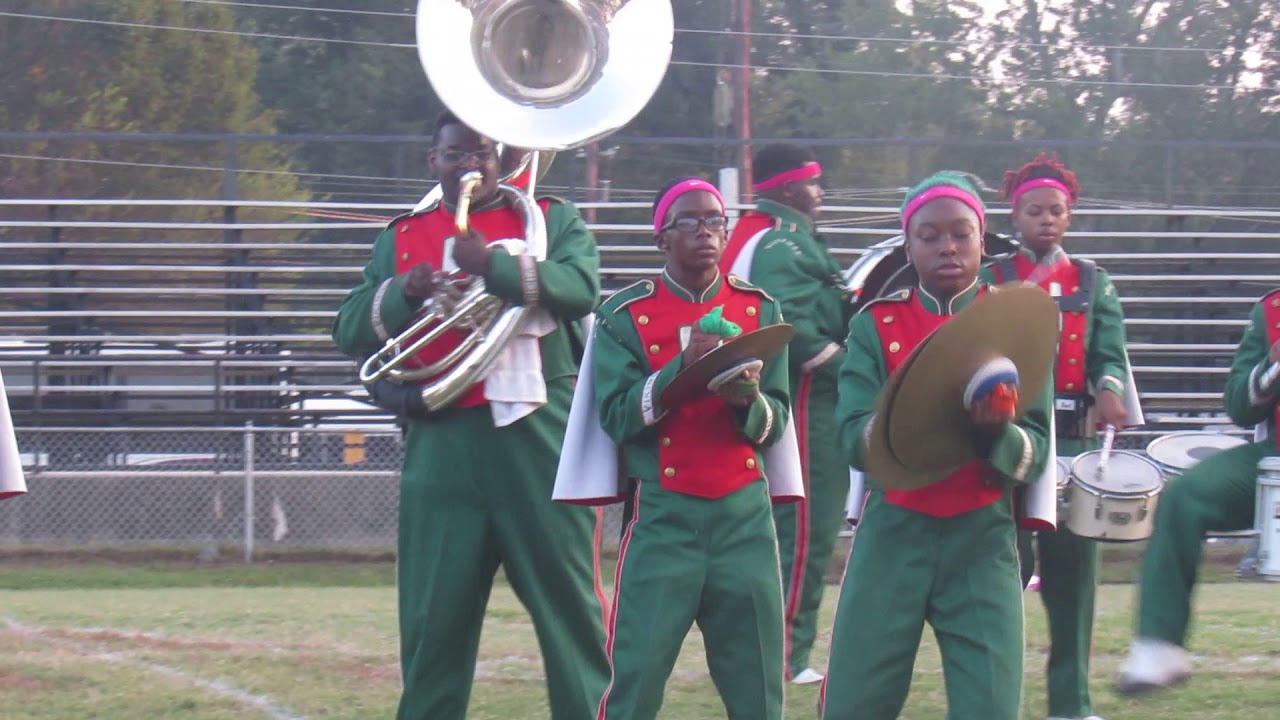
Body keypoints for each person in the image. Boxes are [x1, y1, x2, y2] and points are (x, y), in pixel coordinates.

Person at [331, 110, 609, 720]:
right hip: (442, 439)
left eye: (483, 153)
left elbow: (581, 288)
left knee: (571, 609)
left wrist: (495, 268)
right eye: (455, 154)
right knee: (435, 618)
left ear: (501, 157)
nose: (470, 166)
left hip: (536, 437)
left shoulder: (548, 218)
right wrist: (407, 290)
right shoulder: (404, 235)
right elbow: (348, 326)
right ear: (432, 161)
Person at [820, 171, 1055, 720]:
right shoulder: (877, 324)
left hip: (983, 537)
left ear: (982, 237)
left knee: (991, 705)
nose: (947, 246)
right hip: (893, 535)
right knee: (855, 703)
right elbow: (849, 434)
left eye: (960, 233)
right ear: (909, 244)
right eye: (929, 236)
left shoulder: (1015, 324)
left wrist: (996, 429)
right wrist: (908, 423)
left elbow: (1037, 450)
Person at [589, 177, 795, 719]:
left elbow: (776, 425)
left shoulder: (759, 308)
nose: (705, 231)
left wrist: (745, 399)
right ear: (662, 239)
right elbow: (614, 416)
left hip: (744, 518)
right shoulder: (624, 315)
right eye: (690, 221)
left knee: (759, 692)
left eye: (715, 220)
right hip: (663, 516)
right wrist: (684, 369)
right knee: (635, 682)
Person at [983, 153, 1137, 720]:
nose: (1046, 220)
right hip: (1007, 443)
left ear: (1069, 217)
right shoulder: (990, 278)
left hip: (1071, 444)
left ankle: (1070, 705)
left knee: (1073, 580)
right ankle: (997, 698)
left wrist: (1111, 388)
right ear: (1014, 216)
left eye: (1056, 211)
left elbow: (1108, 351)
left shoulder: (1094, 281)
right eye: (1034, 211)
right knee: (1004, 573)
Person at [720, 143, 852, 685]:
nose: (821, 194)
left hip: (788, 393)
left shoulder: (768, 234)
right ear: (790, 189)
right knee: (805, 525)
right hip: (801, 395)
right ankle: (785, 653)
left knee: (795, 526)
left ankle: (775, 646)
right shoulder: (781, 240)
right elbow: (794, 330)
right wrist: (857, 365)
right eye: (815, 183)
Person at [1117, 289, 1280, 694]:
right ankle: (1160, 643)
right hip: (1276, 455)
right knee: (1185, 496)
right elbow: (1239, 406)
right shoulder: (1272, 311)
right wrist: (1272, 367)